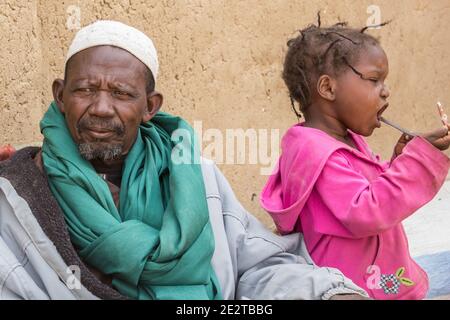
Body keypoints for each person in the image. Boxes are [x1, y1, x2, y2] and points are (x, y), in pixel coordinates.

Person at [0, 20, 368, 300]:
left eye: (122, 93)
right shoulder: (16, 200)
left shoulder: (194, 177)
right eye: (85, 90)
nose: (101, 108)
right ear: (61, 96)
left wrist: (327, 292)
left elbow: (257, 267)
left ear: (150, 106)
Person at [260, 20, 450, 300]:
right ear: (328, 88)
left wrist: (399, 162)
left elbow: (364, 190)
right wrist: (416, 165)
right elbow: (367, 210)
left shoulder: (344, 140)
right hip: (354, 290)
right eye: (374, 80)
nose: (385, 91)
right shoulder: (317, 153)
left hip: (377, 279)